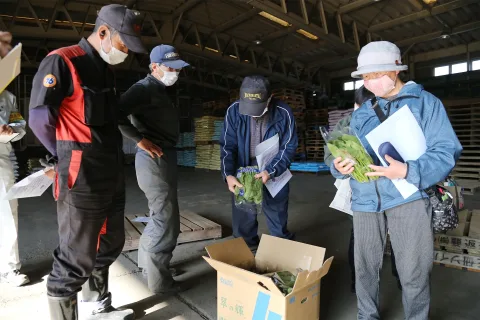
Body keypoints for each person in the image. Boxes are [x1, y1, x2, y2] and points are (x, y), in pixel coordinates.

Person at [28, 4, 147, 320]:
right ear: (104, 32)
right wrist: (61, 155)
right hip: (80, 171)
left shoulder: (105, 69)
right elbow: (40, 117)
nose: (126, 53)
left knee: (109, 242)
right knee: (75, 255)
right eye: (124, 45)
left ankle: (98, 307)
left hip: (110, 169)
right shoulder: (64, 61)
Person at [331, 41, 462, 320]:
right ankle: (367, 316)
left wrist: (407, 171)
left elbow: (446, 151)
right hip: (365, 198)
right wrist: (338, 166)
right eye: (365, 77)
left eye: (375, 75)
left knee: (413, 268)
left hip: (408, 196)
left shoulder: (426, 104)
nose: (370, 82)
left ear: (394, 71)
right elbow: (344, 151)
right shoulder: (363, 112)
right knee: (364, 267)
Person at [117, 45, 189, 294]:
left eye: (177, 68)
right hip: (153, 159)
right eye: (170, 67)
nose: (175, 72)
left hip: (162, 157)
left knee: (160, 216)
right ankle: (161, 283)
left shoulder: (160, 89)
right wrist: (139, 139)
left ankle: (150, 267)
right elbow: (114, 114)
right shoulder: (143, 89)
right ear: (154, 67)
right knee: (166, 222)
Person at [324, 86, 401, 294]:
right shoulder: (346, 124)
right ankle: (357, 282)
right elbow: (330, 154)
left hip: (394, 192)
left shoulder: (392, 119)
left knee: (398, 239)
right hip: (362, 195)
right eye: (359, 106)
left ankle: (401, 280)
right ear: (355, 105)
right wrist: (337, 165)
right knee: (359, 238)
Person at [220, 75, 298, 249]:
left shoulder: (283, 112)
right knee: (243, 216)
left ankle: (280, 249)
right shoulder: (233, 111)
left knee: (277, 213)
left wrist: (271, 171)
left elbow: (289, 146)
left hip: (274, 168)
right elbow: (227, 147)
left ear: (269, 98)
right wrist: (228, 175)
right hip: (244, 170)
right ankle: (247, 250)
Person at [0, 90, 29, 287]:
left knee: (8, 212)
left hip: (1, 159)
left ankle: (9, 267)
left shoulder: (8, 97)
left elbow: (21, 126)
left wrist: (12, 130)